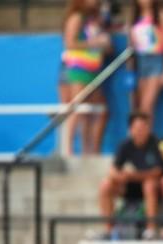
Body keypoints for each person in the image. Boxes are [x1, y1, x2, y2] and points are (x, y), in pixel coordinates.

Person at [97, 112, 163, 239]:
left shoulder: (157, 144)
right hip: (128, 186)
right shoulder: (125, 145)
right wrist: (119, 176)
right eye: (137, 128)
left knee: (149, 184)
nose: (140, 132)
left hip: (153, 188)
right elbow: (113, 169)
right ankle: (109, 229)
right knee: (105, 185)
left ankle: (150, 230)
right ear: (130, 129)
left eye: (143, 128)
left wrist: (133, 175)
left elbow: (158, 171)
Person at [61, 0, 112, 156]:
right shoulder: (77, 17)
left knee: (95, 111)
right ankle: (67, 149)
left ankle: (88, 151)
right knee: (76, 108)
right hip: (78, 69)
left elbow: (106, 47)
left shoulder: (95, 19)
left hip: (93, 70)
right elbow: (69, 43)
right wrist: (95, 42)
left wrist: (104, 44)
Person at [128, 0, 163, 121]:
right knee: (138, 106)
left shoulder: (161, 14)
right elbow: (131, 45)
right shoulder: (135, 16)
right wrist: (130, 70)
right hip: (140, 62)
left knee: (146, 106)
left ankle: (146, 136)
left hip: (156, 61)